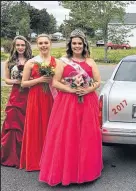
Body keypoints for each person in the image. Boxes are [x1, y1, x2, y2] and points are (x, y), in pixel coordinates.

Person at [39, 29, 103, 186]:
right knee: (68, 134)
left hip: (87, 102)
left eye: (79, 43)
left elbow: (97, 81)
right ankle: (66, 171)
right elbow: (55, 82)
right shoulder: (62, 61)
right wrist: (72, 90)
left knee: (86, 135)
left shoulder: (90, 62)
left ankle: (86, 170)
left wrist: (87, 89)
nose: (77, 46)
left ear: (84, 44)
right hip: (67, 103)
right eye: (74, 43)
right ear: (70, 45)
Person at [19, 34, 57, 171]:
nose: (43, 45)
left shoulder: (57, 62)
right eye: (40, 43)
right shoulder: (31, 62)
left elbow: (59, 81)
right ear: (37, 44)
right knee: (36, 127)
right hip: (35, 98)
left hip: (52, 98)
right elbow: (23, 83)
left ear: (50, 43)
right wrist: (39, 80)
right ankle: (35, 160)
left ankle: (50, 159)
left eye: (46, 42)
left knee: (50, 127)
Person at [1, 36, 32, 168]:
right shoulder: (9, 61)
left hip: (29, 94)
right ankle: (11, 156)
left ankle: (26, 155)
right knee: (13, 123)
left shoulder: (32, 60)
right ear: (14, 46)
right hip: (16, 94)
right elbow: (6, 80)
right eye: (18, 45)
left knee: (27, 122)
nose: (20, 47)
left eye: (22, 45)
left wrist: (26, 81)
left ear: (26, 46)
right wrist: (17, 81)